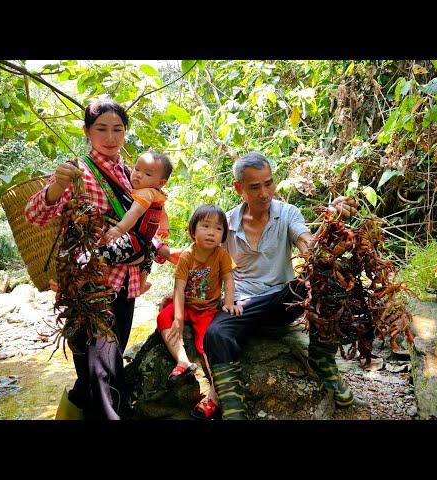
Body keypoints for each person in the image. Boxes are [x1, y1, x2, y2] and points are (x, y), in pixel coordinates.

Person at [24, 97, 173, 420]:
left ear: (126, 132)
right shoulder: (76, 172)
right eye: (101, 129)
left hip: (125, 286)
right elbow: (34, 215)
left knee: (102, 369)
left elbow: (146, 223)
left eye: (117, 129)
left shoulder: (132, 173)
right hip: (88, 288)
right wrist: (55, 188)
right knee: (103, 374)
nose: (110, 138)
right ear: (86, 131)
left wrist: (157, 247)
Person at [201, 152, 358, 420]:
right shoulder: (226, 223)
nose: (264, 193)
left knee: (326, 279)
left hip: (283, 301)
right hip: (243, 304)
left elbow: (310, 249)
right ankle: (233, 407)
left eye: (269, 183)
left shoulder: (287, 214)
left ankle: (321, 358)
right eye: (255, 186)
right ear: (239, 188)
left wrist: (332, 221)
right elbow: (204, 261)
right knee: (215, 333)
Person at [156, 205, 243, 420]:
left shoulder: (221, 255)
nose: (212, 232)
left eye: (218, 228)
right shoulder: (187, 255)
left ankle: (215, 393)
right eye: (205, 226)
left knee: (207, 343)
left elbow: (229, 281)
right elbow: (179, 287)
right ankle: (183, 361)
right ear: (193, 231)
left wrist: (229, 302)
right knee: (163, 317)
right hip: (187, 306)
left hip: (207, 310)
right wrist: (177, 318)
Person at [100, 151, 172, 294]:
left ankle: (91, 278)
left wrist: (119, 229)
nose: (138, 174)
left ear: (161, 182)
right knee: (148, 258)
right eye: (137, 169)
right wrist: (165, 228)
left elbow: (134, 213)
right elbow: (163, 214)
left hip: (134, 240)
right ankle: (141, 284)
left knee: (104, 255)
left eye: (148, 174)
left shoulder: (145, 194)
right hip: (145, 242)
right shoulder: (158, 195)